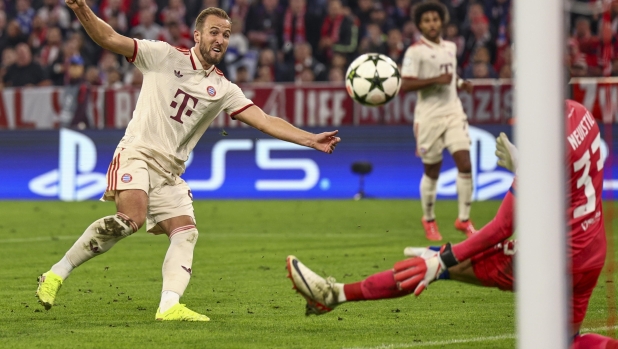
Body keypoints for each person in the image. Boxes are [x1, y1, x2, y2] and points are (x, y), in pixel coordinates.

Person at [35, 2, 341, 322]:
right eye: (213, 32)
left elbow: (263, 120)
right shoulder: (163, 55)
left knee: (186, 232)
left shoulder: (223, 89)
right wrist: (81, 7)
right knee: (129, 220)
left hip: (170, 173)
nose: (220, 39)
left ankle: (169, 305)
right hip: (137, 153)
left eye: (226, 34)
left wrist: (309, 139)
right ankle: (55, 274)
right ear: (197, 35)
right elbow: (109, 38)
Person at [286, 100, 617, 348]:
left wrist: (444, 259)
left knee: (435, 262)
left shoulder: (547, 142)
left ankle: (333, 295)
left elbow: (503, 226)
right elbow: (564, 184)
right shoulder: (582, 115)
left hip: (554, 261)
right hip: (591, 253)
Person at [400, 1, 475, 240]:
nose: (432, 24)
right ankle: (429, 219)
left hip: (453, 112)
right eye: (426, 21)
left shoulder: (451, 47)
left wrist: (461, 83)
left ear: (441, 21)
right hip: (429, 117)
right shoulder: (415, 52)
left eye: (435, 19)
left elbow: (451, 76)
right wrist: (436, 80)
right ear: (420, 25)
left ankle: (463, 220)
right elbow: (405, 84)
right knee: (432, 170)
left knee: (465, 163)